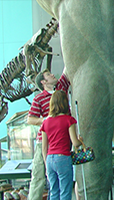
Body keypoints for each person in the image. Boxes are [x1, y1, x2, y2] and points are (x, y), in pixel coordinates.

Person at [27, 69, 70, 200]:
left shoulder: (61, 88)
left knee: (62, 178)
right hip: (45, 141)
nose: (52, 74)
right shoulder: (39, 98)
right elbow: (30, 119)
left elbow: (67, 69)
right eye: (48, 75)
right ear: (43, 82)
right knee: (39, 175)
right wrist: (46, 120)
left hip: (62, 140)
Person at [41, 90, 83, 200]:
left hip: (50, 159)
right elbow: (75, 143)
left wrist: (46, 165)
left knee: (54, 192)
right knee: (65, 191)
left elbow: (44, 147)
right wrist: (81, 140)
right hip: (63, 157)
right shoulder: (69, 120)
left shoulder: (46, 122)